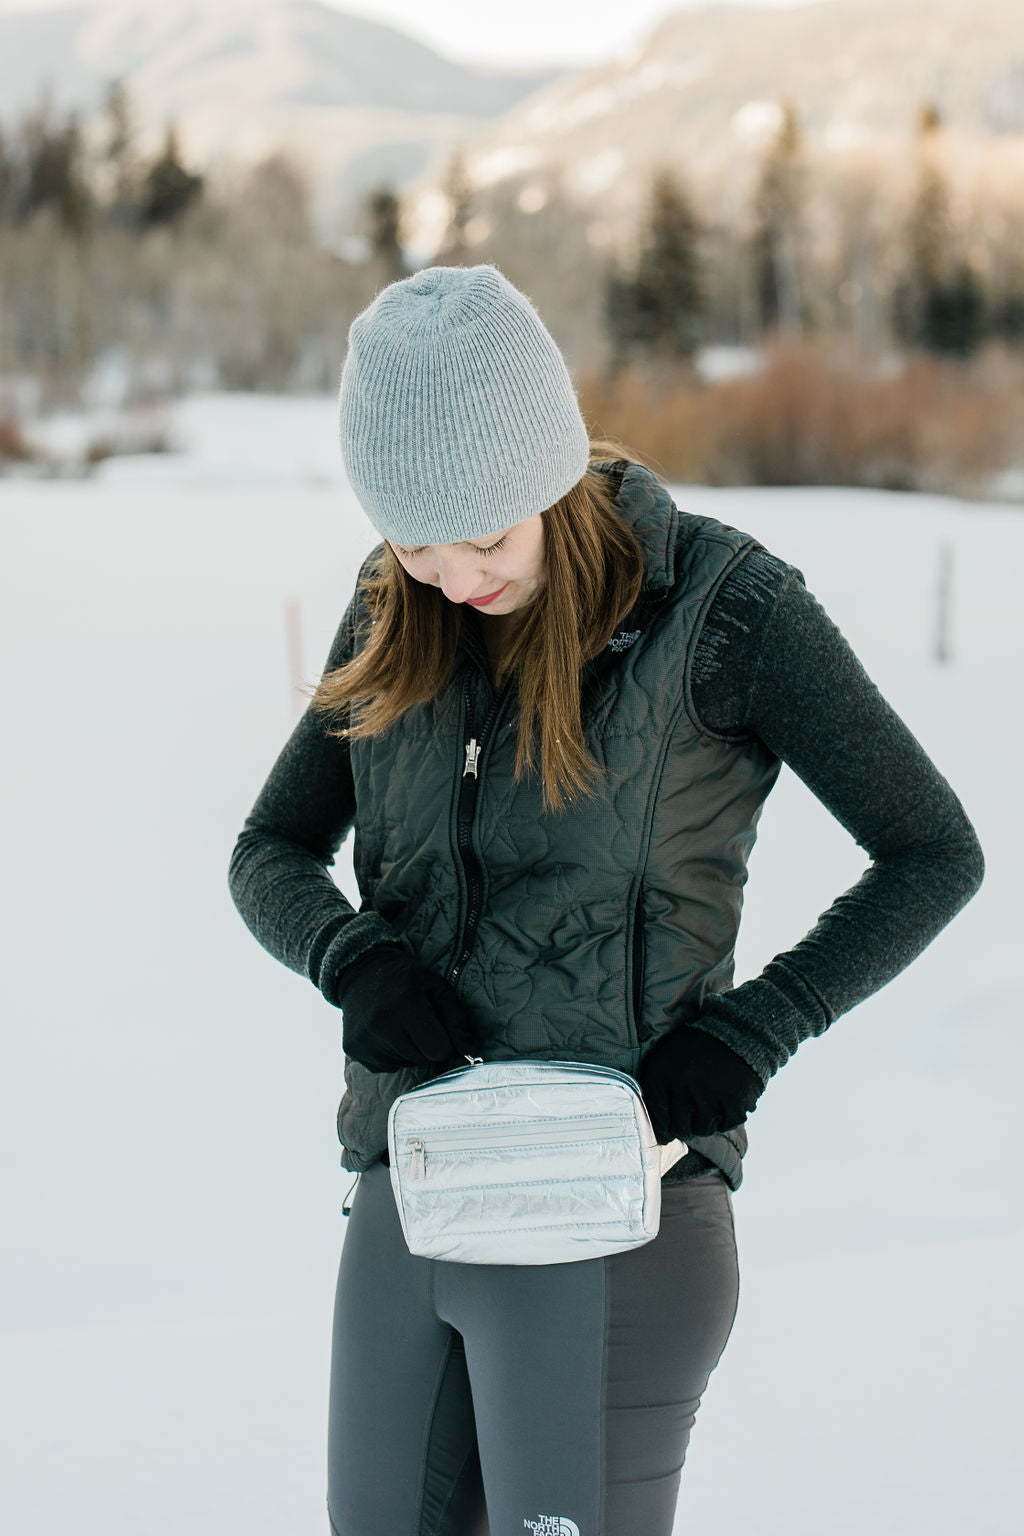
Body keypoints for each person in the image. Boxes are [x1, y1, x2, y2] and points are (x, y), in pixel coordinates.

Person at [228, 264, 984, 1536]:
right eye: (417, 541)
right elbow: (269, 849)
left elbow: (931, 850)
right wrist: (348, 958)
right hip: (412, 1184)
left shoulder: (724, 608)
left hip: (619, 1200)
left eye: (487, 537)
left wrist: (753, 1032)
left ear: (552, 476)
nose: (454, 577)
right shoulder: (390, 602)